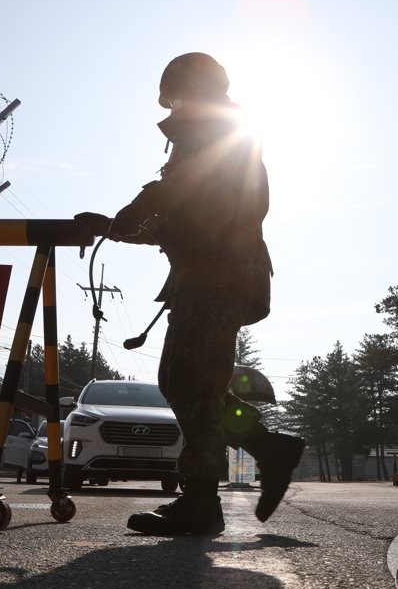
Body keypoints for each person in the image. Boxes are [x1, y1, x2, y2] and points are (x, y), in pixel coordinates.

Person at [75, 52, 305, 536]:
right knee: (187, 381)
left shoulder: (220, 131)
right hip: (205, 277)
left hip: (219, 278)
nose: (173, 107)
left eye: (177, 96)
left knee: (190, 381)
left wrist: (142, 204)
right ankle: (268, 449)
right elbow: (179, 222)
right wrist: (114, 228)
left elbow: (196, 203)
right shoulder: (203, 137)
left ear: (197, 89)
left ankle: (202, 500)